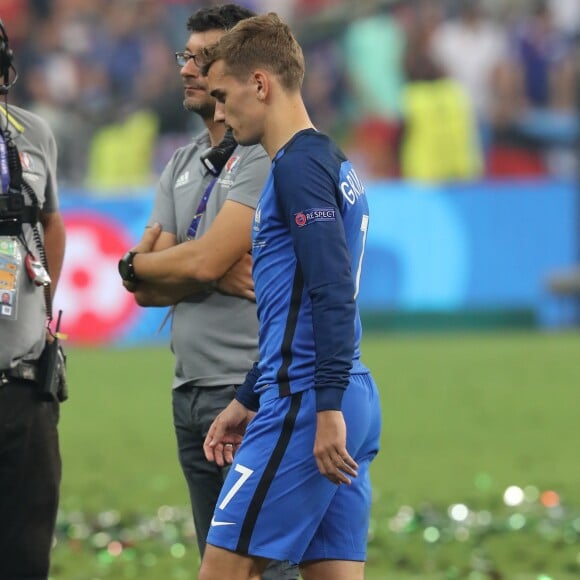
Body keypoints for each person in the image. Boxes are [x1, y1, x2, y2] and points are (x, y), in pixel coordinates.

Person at [199, 13, 382, 580]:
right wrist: (248, 395)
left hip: (308, 404)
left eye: (224, 97)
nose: (221, 115)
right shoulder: (328, 158)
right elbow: (299, 305)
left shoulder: (297, 168)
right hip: (345, 389)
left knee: (223, 574)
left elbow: (329, 291)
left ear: (261, 84)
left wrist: (322, 409)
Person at [118, 5, 297, 579]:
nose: (189, 69)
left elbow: (189, 263)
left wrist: (165, 265)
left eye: (204, 57)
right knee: (218, 566)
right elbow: (147, 290)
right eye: (185, 55)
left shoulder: (262, 157)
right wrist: (153, 267)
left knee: (266, 567)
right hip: (188, 391)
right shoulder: (182, 162)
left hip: (249, 390)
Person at [0, 19, 66, 580]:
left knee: (25, 556)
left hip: (22, 385)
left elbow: (51, 220)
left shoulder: (32, 133)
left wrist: (47, 313)